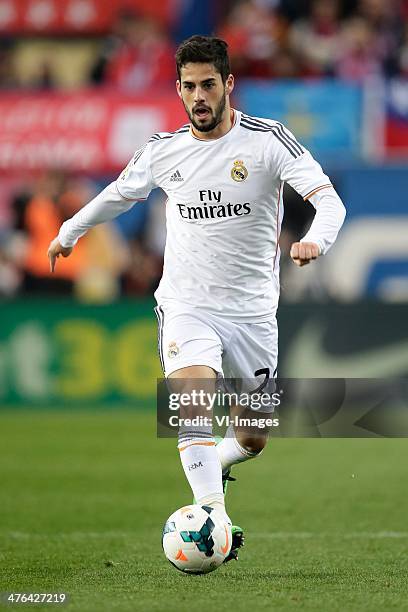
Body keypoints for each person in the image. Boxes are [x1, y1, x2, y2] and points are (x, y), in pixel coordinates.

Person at [47, 35, 346, 563]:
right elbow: (119, 193)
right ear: (179, 90)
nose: (199, 96)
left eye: (209, 84)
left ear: (228, 84)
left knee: (253, 437)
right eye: (189, 87)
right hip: (187, 304)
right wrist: (70, 231)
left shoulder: (268, 141)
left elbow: (329, 200)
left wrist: (316, 239)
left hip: (254, 312)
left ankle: (220, 469)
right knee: (191, 402)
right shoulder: (164, 151)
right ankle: (214, 518)